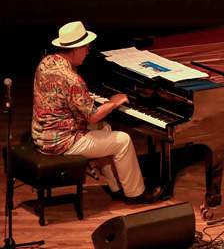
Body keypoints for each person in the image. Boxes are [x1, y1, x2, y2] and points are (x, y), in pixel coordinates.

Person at [31, 21, 162, 204]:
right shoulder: (72, 79)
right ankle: (136, 194)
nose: (88, 50)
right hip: (61, 142)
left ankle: (116, 187)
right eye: (86, 47)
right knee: (122, 140)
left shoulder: (46, 62)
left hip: (41, 134)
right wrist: (113, 102)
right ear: (75, 49)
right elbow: (92, 115)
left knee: (104, 128)